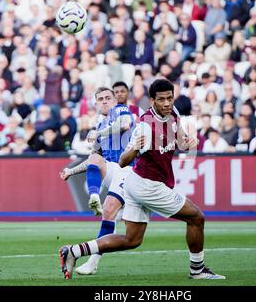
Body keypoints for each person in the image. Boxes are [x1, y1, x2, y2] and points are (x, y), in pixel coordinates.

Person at [58, 79, 225, 280]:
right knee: (196, 217)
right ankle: (197, 270)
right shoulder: (145, 126)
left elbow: (179, 140)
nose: (166, 103)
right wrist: (135, 147)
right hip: (147, 185)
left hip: (138, 184)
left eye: (170, 98)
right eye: (161, 99)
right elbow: (122, 160)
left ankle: (74, 251)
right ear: (152, 100)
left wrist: (188, 142)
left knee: (131, 239)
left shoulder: (173, 114)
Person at [59, 86, 135, 275]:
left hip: (129, 170)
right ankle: (94, 196)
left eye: (108, 98)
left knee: (117, 221)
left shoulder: (120, 110)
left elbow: (125, 124)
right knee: (94, 159)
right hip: (113, 171)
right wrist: (71, 171)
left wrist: (98, 134)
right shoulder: (101, 126)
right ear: (95, 104)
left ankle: (92, 262)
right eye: (100, 99)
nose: (104, 101)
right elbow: (94, 159)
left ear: (114, 100)